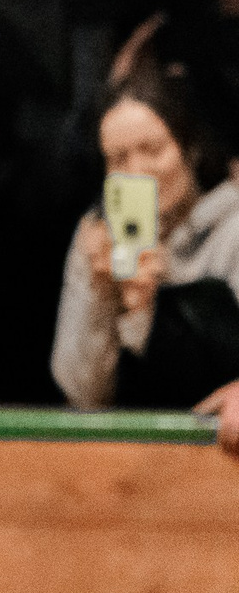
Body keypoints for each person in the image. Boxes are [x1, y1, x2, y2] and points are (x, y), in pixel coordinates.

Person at [51, 62, 239, 410]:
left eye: (152, 150)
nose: (136, 172)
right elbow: (82, 395)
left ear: (189, 149)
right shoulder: (96, 240)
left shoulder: (231, 229)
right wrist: (102, 296)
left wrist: (154, 312)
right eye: (117, 159)